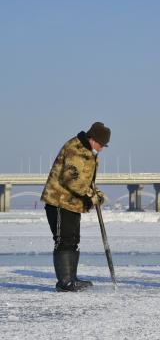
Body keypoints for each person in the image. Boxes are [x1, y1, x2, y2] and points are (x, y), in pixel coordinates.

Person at [41, 122, 111, 291]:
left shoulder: (87, 152)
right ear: (93, 138)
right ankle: (64, 282)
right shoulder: (76, 149)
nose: (101, 148)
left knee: (73, 240)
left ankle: (71, 278)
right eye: (101, 144)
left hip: (72, 204)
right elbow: (71, 178)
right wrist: (90, 197)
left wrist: (96, 194)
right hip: (59, 202)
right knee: (63, 241)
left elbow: (86, 181)